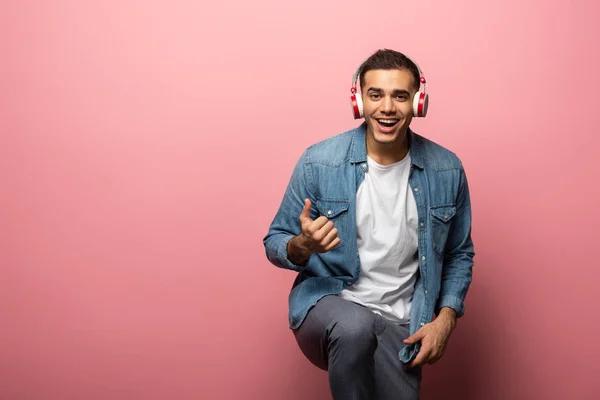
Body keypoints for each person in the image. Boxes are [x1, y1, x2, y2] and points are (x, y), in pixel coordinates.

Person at [263, 49, 475, 400]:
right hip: (330, 303)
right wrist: (303, 245)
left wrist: (446, 318)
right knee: (355, 325)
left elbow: (458, 254)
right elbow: (276, 240)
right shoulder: (319, 162)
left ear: (418, 103)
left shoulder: (446, 170)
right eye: (375, 95)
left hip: (404, 319)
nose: (387, 107)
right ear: (359, 101)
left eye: (400, 96)